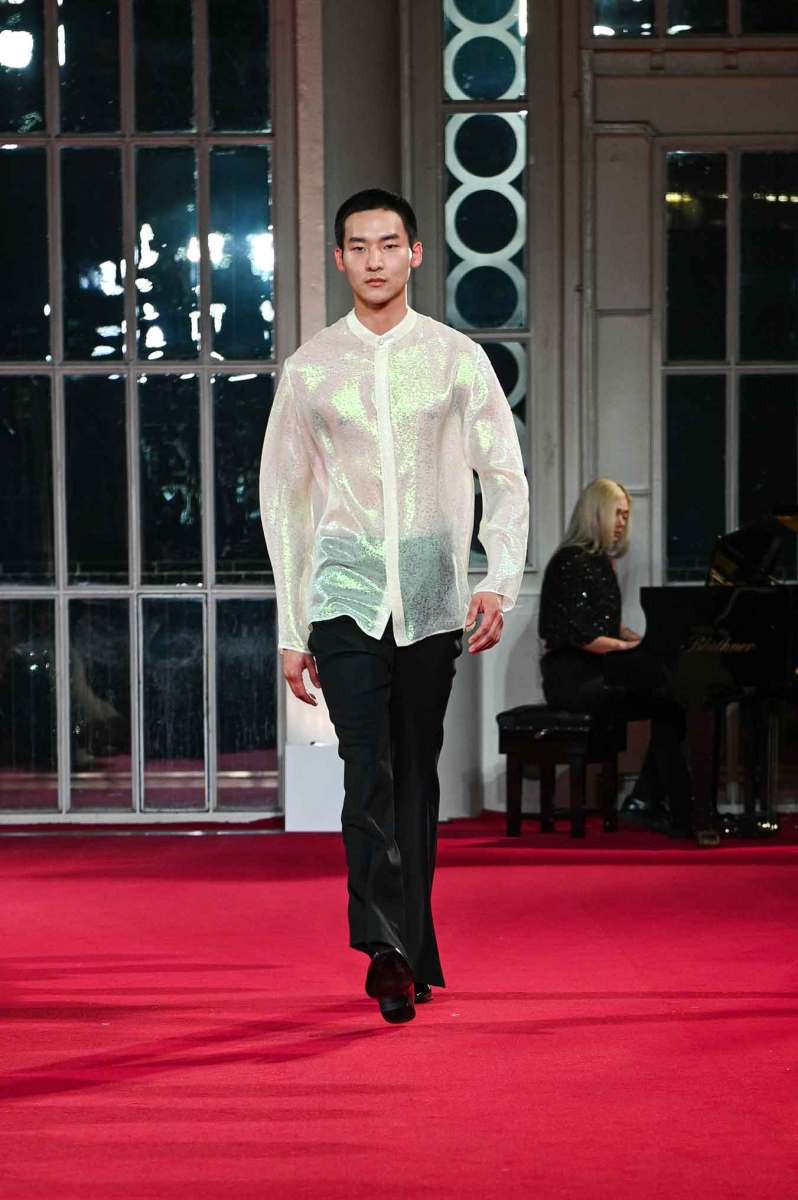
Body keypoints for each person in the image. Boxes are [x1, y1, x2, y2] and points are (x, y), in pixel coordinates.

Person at [260, 189, 529, 1024]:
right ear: (338, 258)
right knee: (365, 762)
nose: (373, 259)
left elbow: (503, 473)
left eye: (388, 244)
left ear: (415, 253)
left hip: (430, 595)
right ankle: (383, 948)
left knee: (414, 771)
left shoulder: (455, 358)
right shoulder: (310, 368)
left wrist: (499, 577)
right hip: (343, 593)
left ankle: (412, 949)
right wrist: (293, 626)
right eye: (358, 246)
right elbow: (285, 501)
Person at [538, 478, 693, 837]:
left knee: (673, 701)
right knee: (668, 703)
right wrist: (632, 649)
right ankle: (658, 804)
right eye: (617, 513)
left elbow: (606, 623)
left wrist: (639, 639)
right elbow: (581, 635)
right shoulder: (570, 561)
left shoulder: (601, 562)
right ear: (596, 514)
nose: (623, 522)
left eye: (626, 515)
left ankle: (648, 800)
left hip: (600, 672)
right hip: (572, 679)